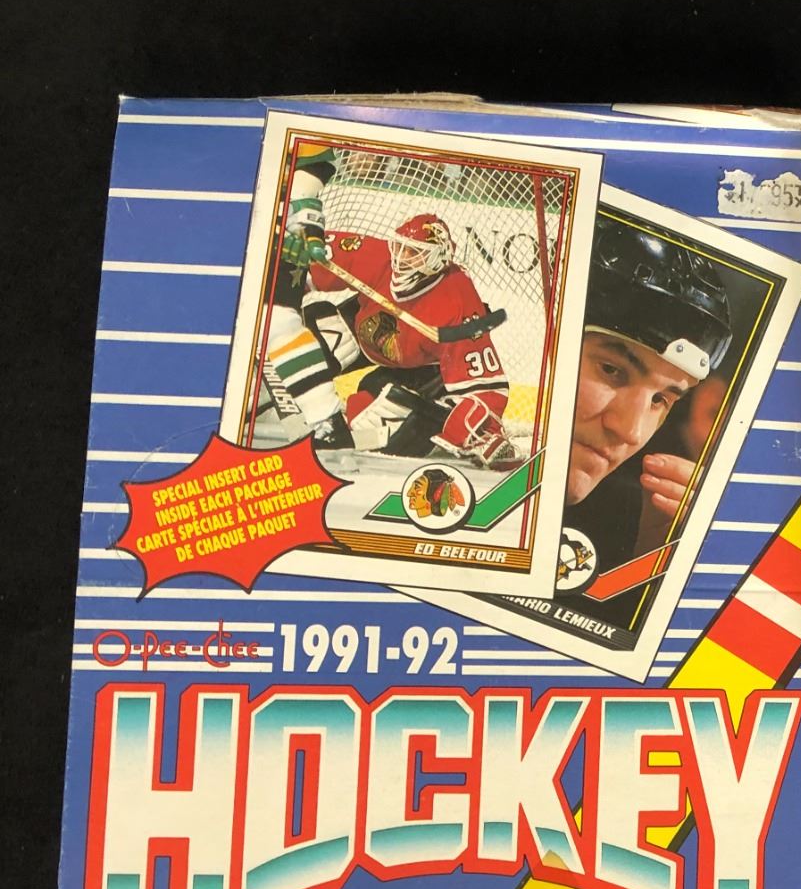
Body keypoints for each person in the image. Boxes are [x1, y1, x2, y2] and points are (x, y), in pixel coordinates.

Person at [262, 156, 519, 467]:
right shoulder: (377, 255)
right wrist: (285, 268)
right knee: (320, 325)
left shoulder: (457, 299)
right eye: (400, 247)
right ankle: (273, 385)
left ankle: (428, 417)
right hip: (366, 333)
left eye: (414, 253)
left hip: (421, 369)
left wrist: (479, 430)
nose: (401, 258)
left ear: (438, 260)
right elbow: (300, 266)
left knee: (368, 416)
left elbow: (486, 386)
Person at [559, 222, 735, 578]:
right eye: (612, 370)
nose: (632, 432)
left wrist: (646, 576)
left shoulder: (627, 524)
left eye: (660, 400)